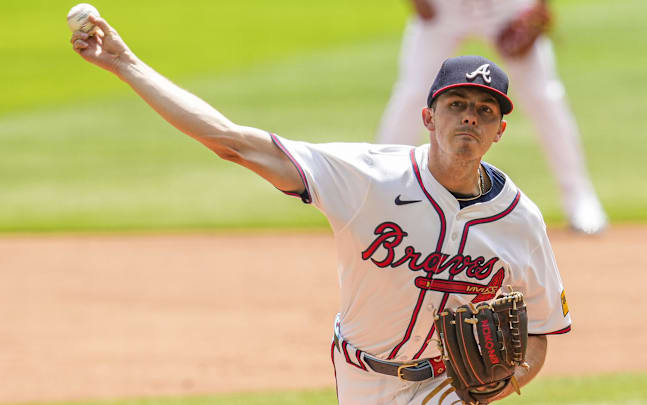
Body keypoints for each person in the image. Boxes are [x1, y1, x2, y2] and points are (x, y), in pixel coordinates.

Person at [70, 14, 571, 405]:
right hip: (359, 375)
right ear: (428, 116)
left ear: (500, 130)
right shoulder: (367, 178)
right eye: (457, 103)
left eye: (485, 110)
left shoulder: (519, 220)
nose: (470, 117)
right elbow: (231, 142)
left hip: (447, 387)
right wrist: (125, 63)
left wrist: (507, 380)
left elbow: (540, 328)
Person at [377, 0, 607, 235]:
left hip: (506, 7)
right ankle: (381, 191)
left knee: (543, 96)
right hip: (444, 8)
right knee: (413, 94)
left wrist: (540, 5)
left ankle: (579, 197)